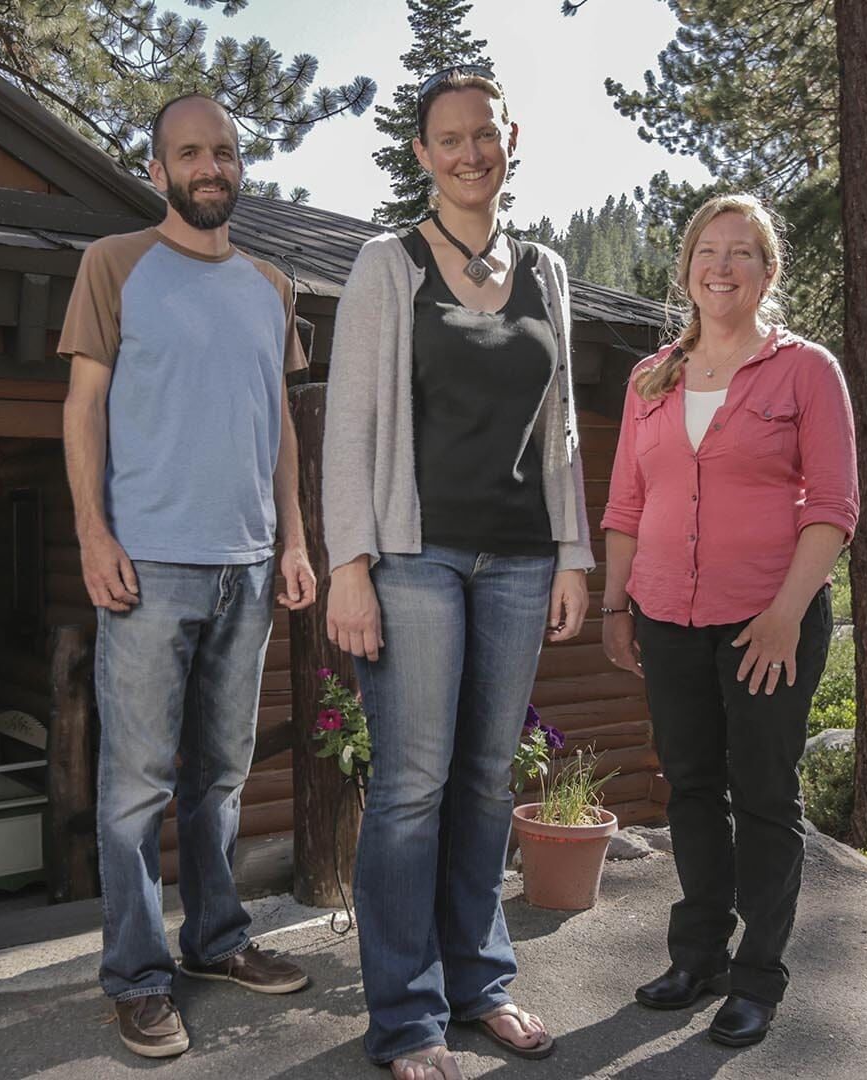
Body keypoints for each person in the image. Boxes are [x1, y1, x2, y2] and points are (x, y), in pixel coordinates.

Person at [322, 66, 594, 1080]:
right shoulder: (387, 265)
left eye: (485, 133)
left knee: (486, 781)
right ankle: (406, 1018)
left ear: (509, 139)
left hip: (523, 558)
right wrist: (350, 568)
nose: (471, 151)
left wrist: (574, 554)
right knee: (411, 787)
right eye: (450, 138)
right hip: (417, 558)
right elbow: (347, 430)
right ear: (422, 155)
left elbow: (563, 427)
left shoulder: (549, 273)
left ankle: (479, 984)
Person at [59, 93, 318, 1061]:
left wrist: (295, 540)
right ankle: (136, 975)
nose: (212, 167)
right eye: (191, 153)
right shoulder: (113, 265)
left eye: (225, 153)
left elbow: (281, 423)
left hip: (248, 566)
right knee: (133, 789)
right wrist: (93, 530)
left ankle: (216, 941)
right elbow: (83, 408)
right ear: (158, 167)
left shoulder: (271, 283)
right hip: (150, 566)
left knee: (219, 778)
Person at [598, 194, 858, 1047]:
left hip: (766, 621)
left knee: (766, 794)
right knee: (693, 787)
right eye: (708, 251)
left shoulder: (805, 370)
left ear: (768, 271)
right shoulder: (652, 378)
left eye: (742, 252)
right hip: (667, 614)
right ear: (687, 270)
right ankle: (700, 954)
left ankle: (759, 977)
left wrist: (787, 614)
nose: (722, 266)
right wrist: (616, 605)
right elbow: (627, 503)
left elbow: (832, 505)